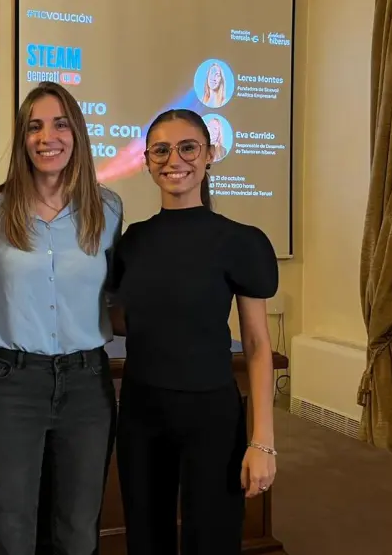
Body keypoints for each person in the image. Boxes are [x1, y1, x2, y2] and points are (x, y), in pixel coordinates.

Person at [108, 108, 279, 555]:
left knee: (213, 540)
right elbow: (124, 317)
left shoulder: (240, 241)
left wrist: (263, 441)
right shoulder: (131, 243)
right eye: (161, 150)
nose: (174, 160)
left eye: (188, 147)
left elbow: (259, 346)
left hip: (212, 416)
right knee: (146, 540)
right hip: (142, 414)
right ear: (147, 161)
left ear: (209, 156)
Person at [0, 81, 123, 555]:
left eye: (60, 124)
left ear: (76, 132)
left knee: (78, 529)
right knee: (11, 527)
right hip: (11, 384)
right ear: (22, 138)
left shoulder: (109, 208)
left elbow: (117, 290)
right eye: (34, 126)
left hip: (86, 383)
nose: (47, 136)